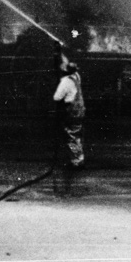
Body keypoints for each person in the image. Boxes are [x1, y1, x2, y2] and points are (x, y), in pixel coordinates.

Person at [53, 54, 86, 195]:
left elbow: (57, 97)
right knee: (77, 134)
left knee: (71, 136)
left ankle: (77, 161)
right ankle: (78, 158)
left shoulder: (66, 81)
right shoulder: (76, 76)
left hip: (71, 110)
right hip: (80, 109)